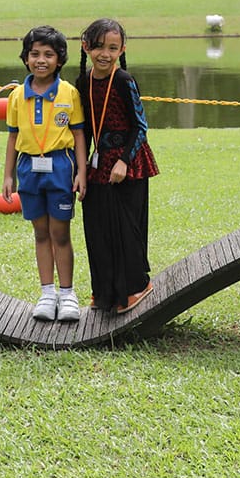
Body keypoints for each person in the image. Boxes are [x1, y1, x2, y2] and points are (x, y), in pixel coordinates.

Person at [1, 26, 86, 323]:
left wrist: (82, 173)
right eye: (34, 54)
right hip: (28, 168)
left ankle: (67, 294)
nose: (41, 60)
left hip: (61, 167)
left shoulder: (69, 93)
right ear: (25, 58)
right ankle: (47, 293)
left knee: (60, 233)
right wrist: (8, 175)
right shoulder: (16, 96)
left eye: (48, 54)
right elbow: (12, 137)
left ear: (60, 60)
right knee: (40, 232)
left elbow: (78, 135)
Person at [75, 18, 158, 314]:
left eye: (112, 48)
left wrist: (123, 160)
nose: (105, 54)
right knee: (97, 227)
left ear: (122, 48)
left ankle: (137, 286)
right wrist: (80, 167)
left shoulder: (123, 80)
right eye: (98, 47)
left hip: (129, 162)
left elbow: (141, 126)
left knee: (126, 228)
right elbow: (82, 128)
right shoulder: (83, 81)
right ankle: (104, 291)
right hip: (99, 162)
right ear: (86, 47)